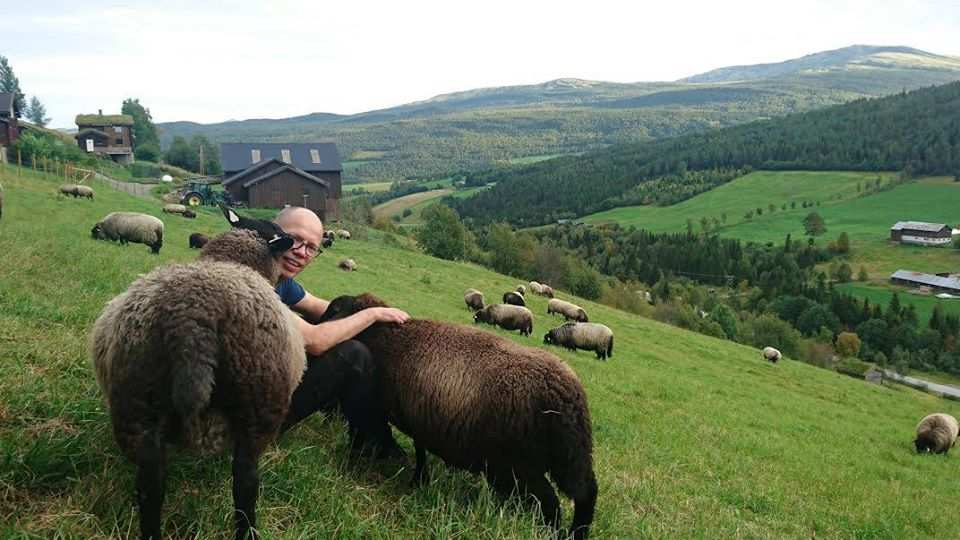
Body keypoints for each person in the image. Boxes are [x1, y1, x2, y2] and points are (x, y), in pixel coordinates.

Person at [272, 206, 409, 457]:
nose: (301, 252)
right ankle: (375, 445)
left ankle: (337, 411)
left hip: (261, 386)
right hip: (244, 418)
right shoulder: (254, 282)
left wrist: (361, 309)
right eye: (294, 239)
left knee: (344, 307)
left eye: (311, 247)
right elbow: (315, 341)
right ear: (272, 233)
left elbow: (320, 307)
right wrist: (372, 314)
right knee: (353, 355)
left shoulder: (281, 281)